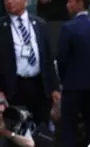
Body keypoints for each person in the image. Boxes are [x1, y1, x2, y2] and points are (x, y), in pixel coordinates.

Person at [57, 0, 90, 147]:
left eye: (70, 1)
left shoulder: (68, 28)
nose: (67, 4)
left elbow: (62, 59)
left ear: (79, 3)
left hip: (72, 86)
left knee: (68, 127)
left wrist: (63, 81)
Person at [0, 0, 61, 128]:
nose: (9, 2)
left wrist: (55, 88)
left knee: (41, 130)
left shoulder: (40, 24)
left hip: (39, 86)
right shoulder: (2, 26)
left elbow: (48, 59)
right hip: (14, 88)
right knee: (16, 129)